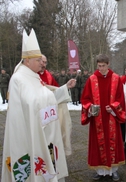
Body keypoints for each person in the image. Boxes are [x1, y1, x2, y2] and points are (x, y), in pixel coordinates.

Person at [1, 29, 76, 182]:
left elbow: (47, 95)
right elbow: (22, 109)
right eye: (38, 60)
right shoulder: (18, 79)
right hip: (30, 133)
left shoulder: (34, 77)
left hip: (46, 131)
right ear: (27, 61)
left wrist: (63, 89)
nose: (42, 63)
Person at [80, 54, 126, 181]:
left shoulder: (116, 79)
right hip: (97, 119)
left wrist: (113, 108)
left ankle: (114, 170)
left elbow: (120, 98)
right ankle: (100, 171)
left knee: (113, 143)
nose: (101, 69)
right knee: (97, 144)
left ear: (108, 64)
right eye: (99, 66)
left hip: (111, 117)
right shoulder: (92, 79)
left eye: (103, 66)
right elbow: (85, 98)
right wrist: (90, 108)